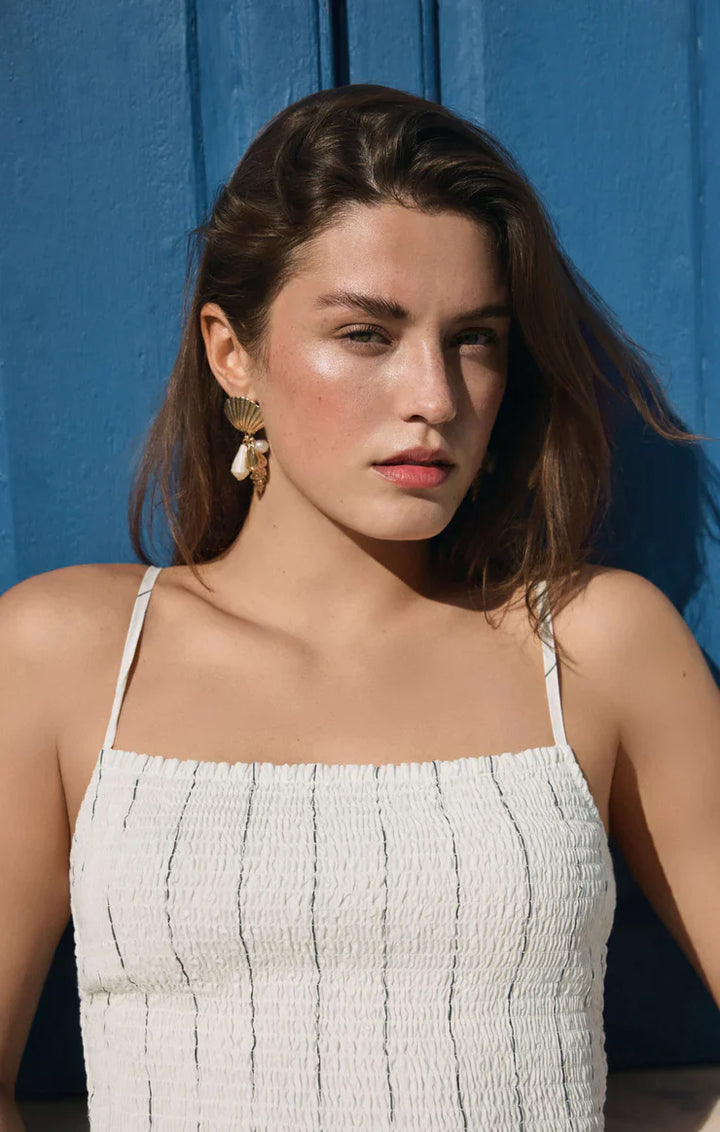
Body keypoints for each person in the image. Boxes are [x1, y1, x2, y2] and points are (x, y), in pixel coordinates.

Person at [1, 83, 718, 1131]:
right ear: (231, 354)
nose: (435, 394)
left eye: (475, 338)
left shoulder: (596, 646)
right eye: (368, 334)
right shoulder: (65, 657)